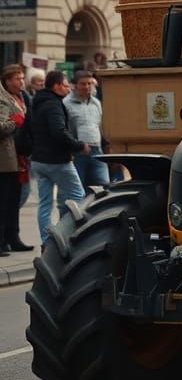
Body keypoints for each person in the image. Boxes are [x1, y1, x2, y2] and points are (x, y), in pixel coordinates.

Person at [31, 70, 87, 245]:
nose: (68, 88)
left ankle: (47, 242)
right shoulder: (53, 104)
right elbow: (58, 132)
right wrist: (78, 145)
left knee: (45, 204)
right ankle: (70, 235)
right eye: (65, 84)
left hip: (38, 160)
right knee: (79, 196)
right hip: (57, 161)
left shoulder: (37, 102)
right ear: (56, 86)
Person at [1, 65, 32, 251]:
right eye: (17, 79)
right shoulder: (2, 98)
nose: (21, 82)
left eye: (22, 78)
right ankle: (2, 241)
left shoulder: (22, 97)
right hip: (4, 158)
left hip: (19, 156)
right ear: (7, 81)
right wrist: (15, 122)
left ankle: (14, 238)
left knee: (14, 199)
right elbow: (1, 125)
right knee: (4, 201)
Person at [64, 71, 109, 189]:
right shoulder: (66, 103)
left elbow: (100, 126)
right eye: (83, 84)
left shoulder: (96, 103)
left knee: (103, 186)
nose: (87, 87)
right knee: (78, 188)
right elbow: (65, 128)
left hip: (97, 151)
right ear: (75, 85)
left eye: (89, 84)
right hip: (77, 152)